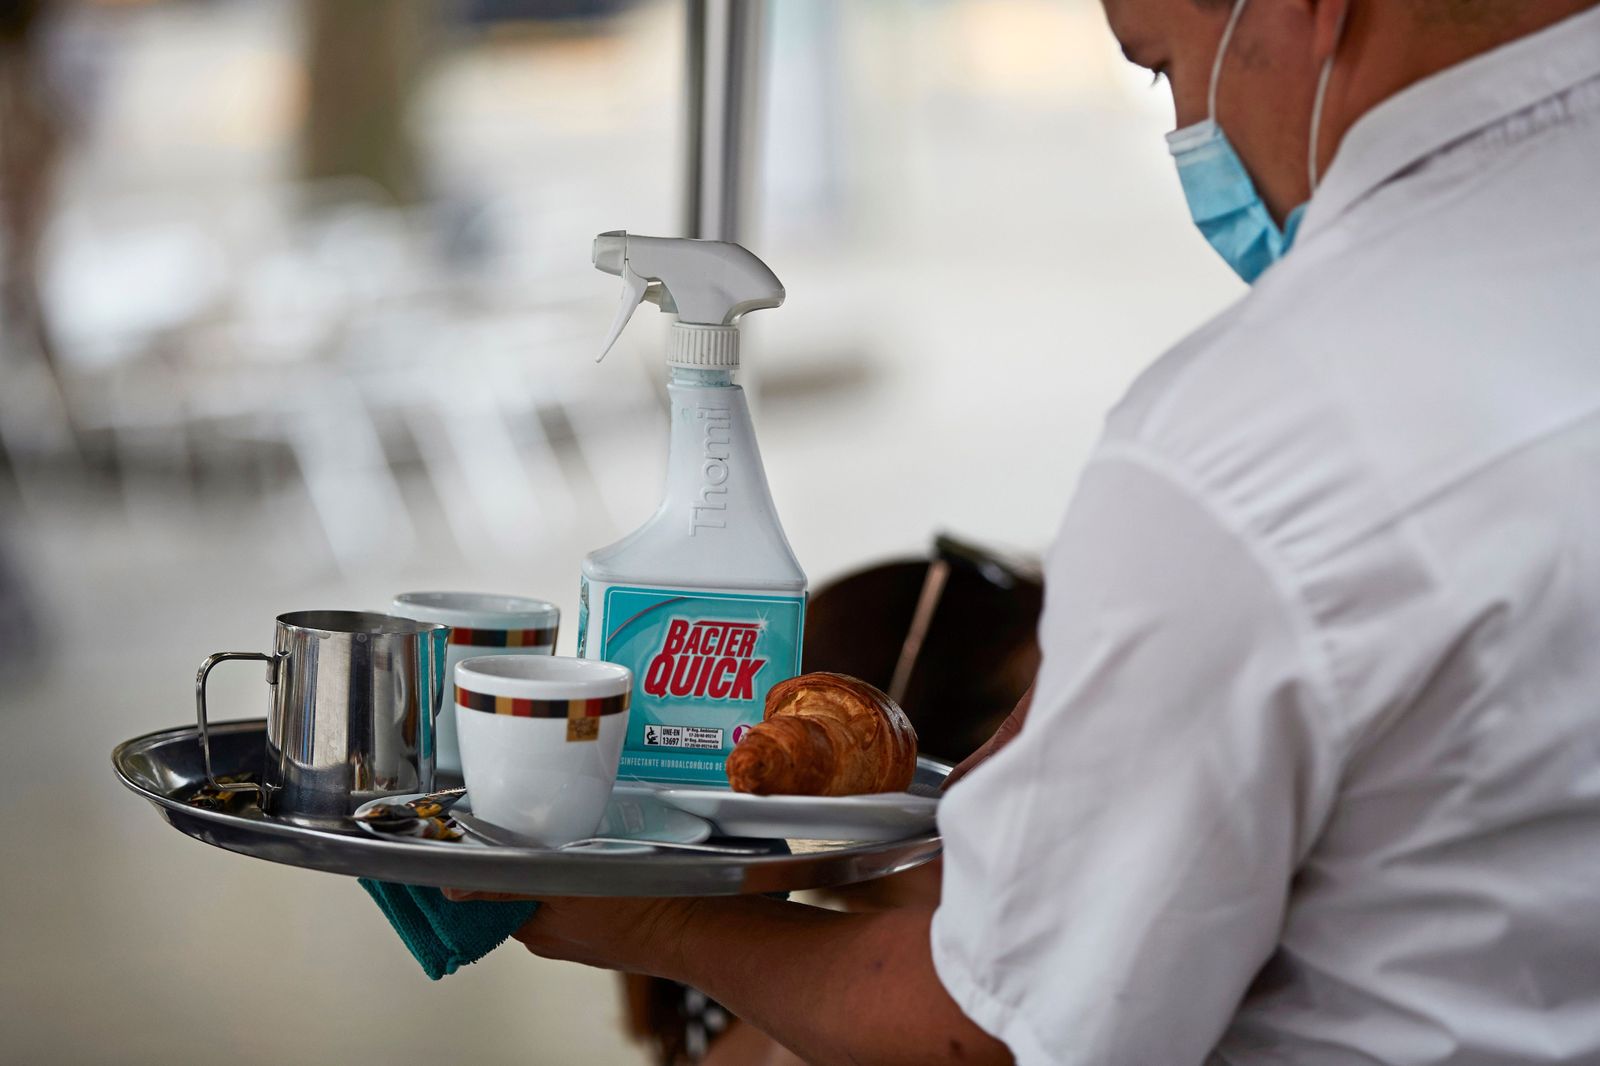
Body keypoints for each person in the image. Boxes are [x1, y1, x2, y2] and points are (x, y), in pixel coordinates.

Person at [448, 1, 1600, 1062]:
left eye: (1161, 67)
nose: (1191, 131)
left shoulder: (1254, 438)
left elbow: (999, 1032)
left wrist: (656, 926)